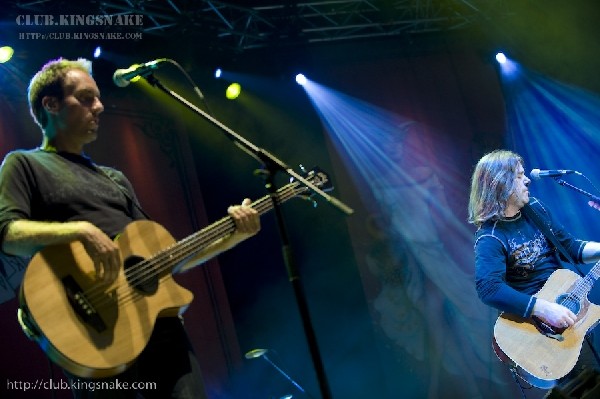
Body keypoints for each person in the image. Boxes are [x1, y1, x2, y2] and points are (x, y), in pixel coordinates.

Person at [0, 58, 261, 398]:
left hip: (157, 326)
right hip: (89, 328)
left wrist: (234, 236)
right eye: (85, 98)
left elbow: (163, 260)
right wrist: (80, 230)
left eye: (98, 98)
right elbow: (7, 233)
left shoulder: (115, 179)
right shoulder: (24, 163)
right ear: (50, 104)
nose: (99, 106)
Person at [468, 149, 600, 395]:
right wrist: (545, 309)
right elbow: (488, 288)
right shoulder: (490, 237)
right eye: (519, 176)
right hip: (542, 333)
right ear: (502, 184)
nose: (527, 179)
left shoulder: (535, 209)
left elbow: (571, 247)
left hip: (572, 317)